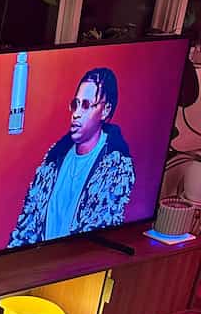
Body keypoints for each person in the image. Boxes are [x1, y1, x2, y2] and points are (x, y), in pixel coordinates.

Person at [8, 67, 135, 248]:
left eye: (86, 105)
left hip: (82, 260)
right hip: (40, 260)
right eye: (75, 104)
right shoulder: (53, 162)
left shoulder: (116, 171)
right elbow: (27, 228)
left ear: (105, 110)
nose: (76, 113)